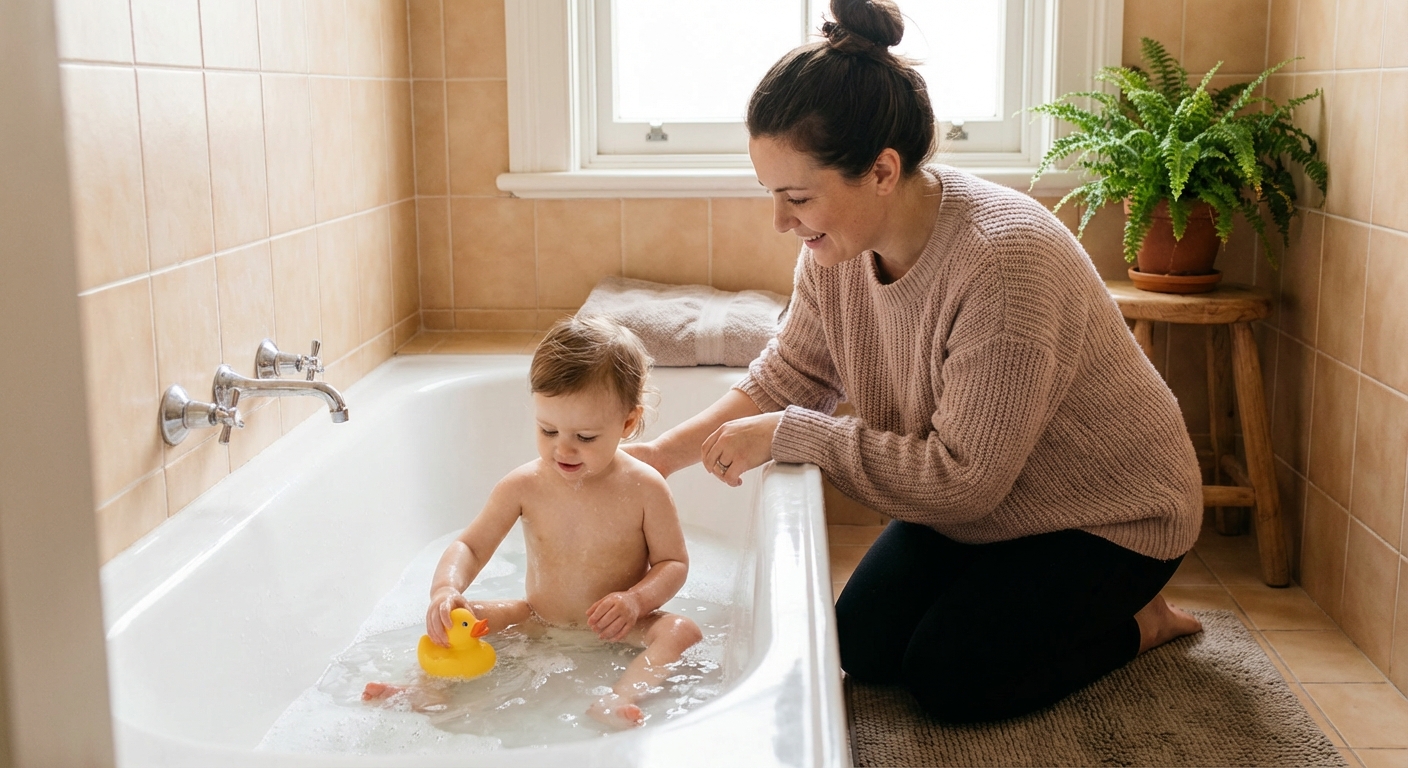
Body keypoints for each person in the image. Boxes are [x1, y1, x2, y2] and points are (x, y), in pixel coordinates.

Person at [626, 0, 1204, 723]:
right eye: (772, 195)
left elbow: (962, 484)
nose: (780, 221)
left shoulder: (1003, 264)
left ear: (882, 170)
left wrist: (792, 434)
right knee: (862, 647)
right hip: (994, 504)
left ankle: (1139, 621)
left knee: (951, 680)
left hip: (1108, 515)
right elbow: (791, 375)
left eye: (797, 197)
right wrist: (658, 458)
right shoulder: (834, 248)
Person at [363, 316, 702, 729]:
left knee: (682, 631)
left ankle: (621, 696)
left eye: (586, 437)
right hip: (537, 618)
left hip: (620, 627)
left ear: (627, 423)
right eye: (547, 429)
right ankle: (425, 691)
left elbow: (674, 563)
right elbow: (469, 546)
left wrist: (635, 601)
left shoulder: (645, 488)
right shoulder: (524, 485)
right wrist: (447, 589)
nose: (564, 448)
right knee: (457, 622)